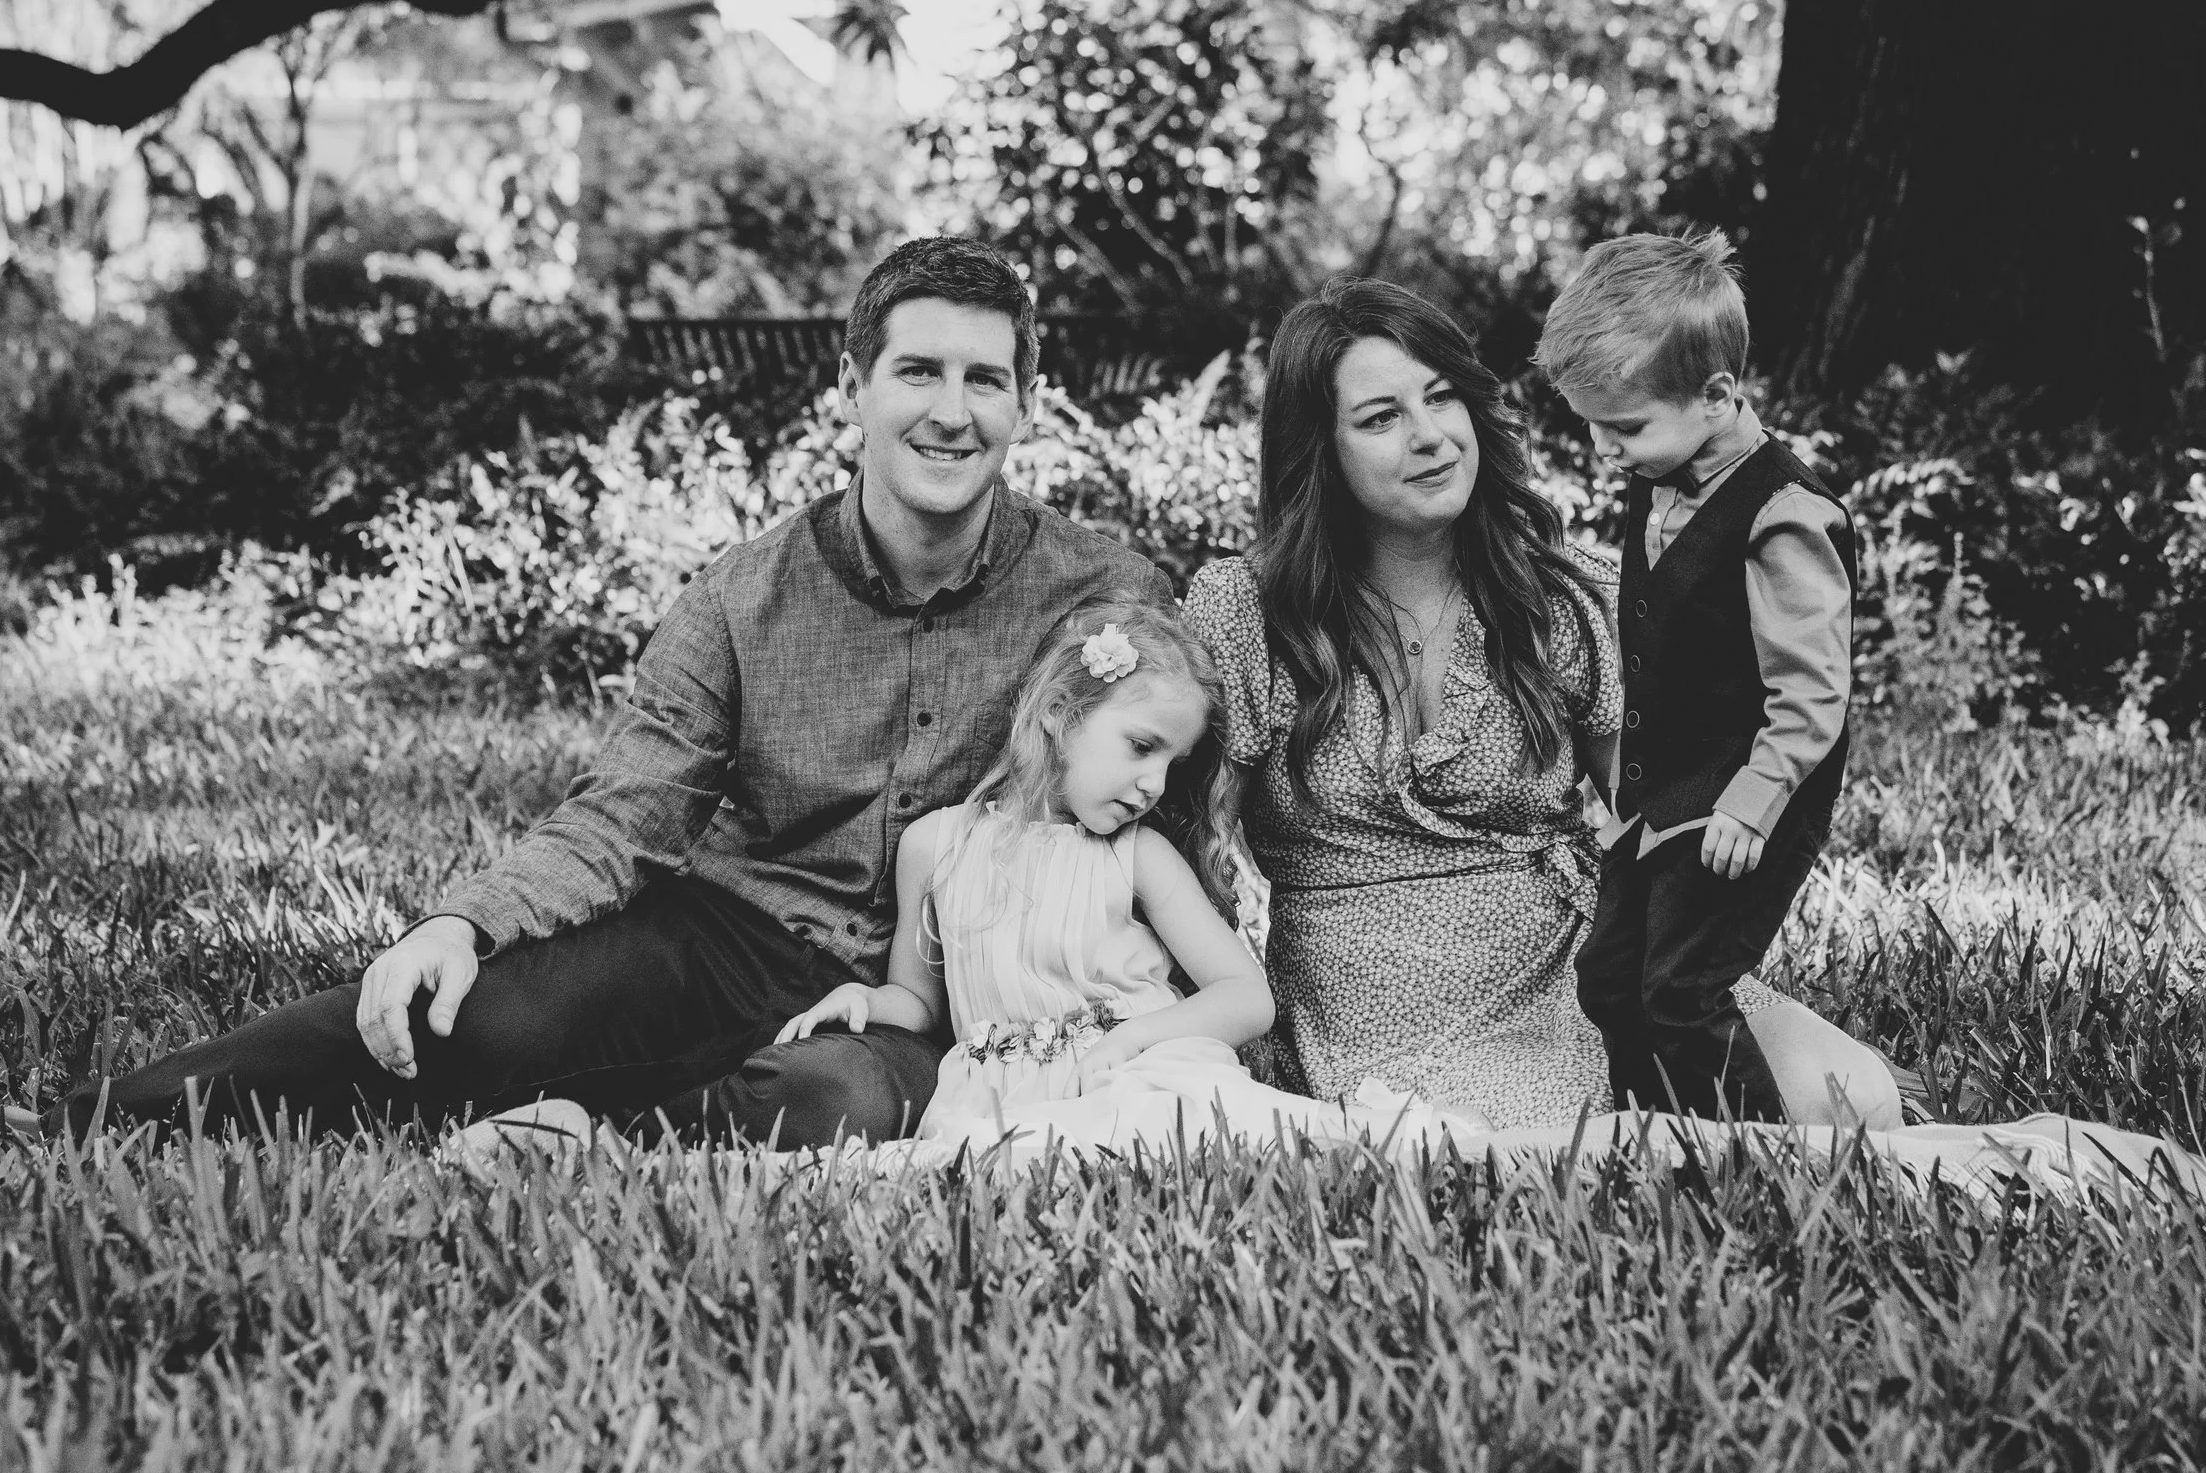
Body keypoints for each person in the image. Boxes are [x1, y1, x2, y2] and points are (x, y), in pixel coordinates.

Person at [0, 237, 1171, 1147]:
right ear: (853, 389)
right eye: (919, 372)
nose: (951, 412)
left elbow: (1171, 795)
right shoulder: (742, 597)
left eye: (985, 380)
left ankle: (576, 1133)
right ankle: (81, 1123)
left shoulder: (1100, 594)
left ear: (1025, 403)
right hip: (728, 934)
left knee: (829, 1103)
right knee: (474, 1020)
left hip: (939, 987)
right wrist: (459, 925)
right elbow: (622, 814)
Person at [1182, 275, 1897, 1130]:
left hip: (1576, 959)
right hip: (1374, 988)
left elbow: (1662, 798)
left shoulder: (1562, 596)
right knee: (1517, 1142)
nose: (1431, 436)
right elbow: (1194, 843)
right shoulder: (1250, 613)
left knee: (1849, 1097)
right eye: (1380, 418)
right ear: (1318, 450)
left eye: (1441, 397)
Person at [452, 599, 1492, 1167]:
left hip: (1137, 1071)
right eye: (1140, 747)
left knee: (1159, 1149)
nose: (1152, 784)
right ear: (1060, 717)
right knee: (955, 1168)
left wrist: (1131, 1044)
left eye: (1172, 765)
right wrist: (866, 1002)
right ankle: (593, 1138)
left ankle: (612, 1143)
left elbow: (1243, 996)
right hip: (991, 1086)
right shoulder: (938, 847)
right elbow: (921, 1000)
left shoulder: (1135, 855)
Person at [1535, 230, 1854, 1121]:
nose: (1604, 449)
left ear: (1716, 396)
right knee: (1610, 979)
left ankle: (1755, 1154)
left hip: (1748, 803)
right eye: (1592, 425)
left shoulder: (1784, 515)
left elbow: (1812, 692)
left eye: (1624, 427)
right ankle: (1655, 1129)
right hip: (1664, 799)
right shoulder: (1665, 471)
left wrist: (1753, 802)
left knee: (1683, 990)